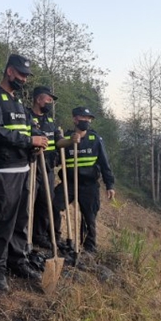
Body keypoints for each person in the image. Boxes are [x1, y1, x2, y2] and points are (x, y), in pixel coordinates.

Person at [0, 54, 49, 291]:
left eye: (26, 76)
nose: (24, 79)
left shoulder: (18, 103)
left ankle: (17, 261)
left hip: (24, 168)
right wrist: (30, 140)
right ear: (9, 71)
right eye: (21, 74)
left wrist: (40, 139)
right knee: (2, 219)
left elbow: (31, 127)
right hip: (3, 168)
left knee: (21, 220)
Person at [53, 106, 115, 254]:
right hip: (69, 183)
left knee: (90, 215)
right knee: (54, 204)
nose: (86, 121)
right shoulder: (66, 138)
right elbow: (55, 160)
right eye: (83, 118)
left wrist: (110, 185)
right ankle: (55, 238)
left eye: (88, 119)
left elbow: (105, 164)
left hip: (89, 185)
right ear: (75, 119)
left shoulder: (95, 139)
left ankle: (89, 249)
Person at [28, 86, 64, 250]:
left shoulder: (50, 121)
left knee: (45, 202)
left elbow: (58, 141)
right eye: (48, 99)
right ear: (38, 99)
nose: (51, 103)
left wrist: (69, 141)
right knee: (28, 201)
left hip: (48, 168)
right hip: (31, 167)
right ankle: (24, 235)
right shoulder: (26, 116)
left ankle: (39, 235)